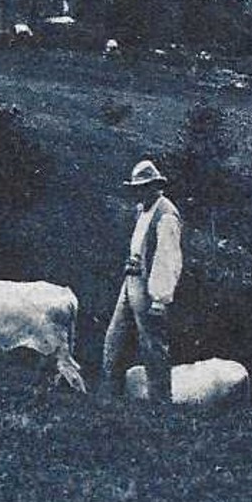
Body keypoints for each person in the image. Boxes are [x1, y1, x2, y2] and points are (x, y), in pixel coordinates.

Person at [100, 159, 183, 403]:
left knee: (152, 344)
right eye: (136, 188)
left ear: (155, 186)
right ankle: (109, 396)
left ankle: (160, 401)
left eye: (143, 187)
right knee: (114, 336)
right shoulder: (142, 210)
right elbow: (140, 245)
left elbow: (167, 258)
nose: (138, 192)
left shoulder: (166, 214)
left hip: (150, 287)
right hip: (132, 281)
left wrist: (159, 299)